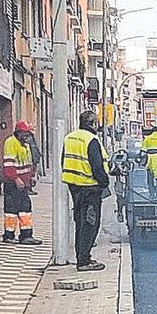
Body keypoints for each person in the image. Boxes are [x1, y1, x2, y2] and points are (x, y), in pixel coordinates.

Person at [62, 111, 110, 271]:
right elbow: (96, 166)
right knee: (90, 223)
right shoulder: (92, 140)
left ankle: (80, 256)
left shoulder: (69, 138)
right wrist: (104, 182)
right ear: (93, 124)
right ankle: (84, 260)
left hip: (74, 186)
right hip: (90, 188)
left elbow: (65, 160)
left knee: (80, 222)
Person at [1, 121, 41, 244]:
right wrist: (16, 179)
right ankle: (9, 235)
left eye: (27, 133)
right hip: (12, 183)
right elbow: (8, 164)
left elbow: (28, 163)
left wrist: (32, 177)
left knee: (25, 208)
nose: (27, 135)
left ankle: (25, 235)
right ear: (18, 133)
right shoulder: (11, 142)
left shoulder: (25, 144)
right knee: (12, 210)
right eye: (24, 133)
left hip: (22, 183)